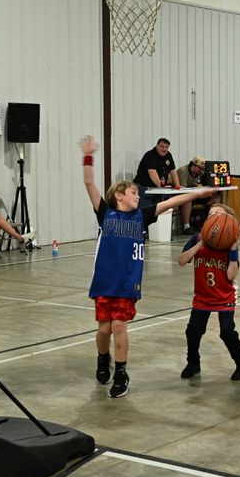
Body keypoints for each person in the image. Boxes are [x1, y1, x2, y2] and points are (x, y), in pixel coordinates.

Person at [80, 135, 215, 398]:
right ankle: (102, 358)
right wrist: (88, 155)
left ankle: (121, 373)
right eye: (133, 193)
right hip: (104, 282)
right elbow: (88, 182)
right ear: (119, 195)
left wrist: (198, 193)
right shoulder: (105, 212)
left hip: (127, 283)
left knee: (118, 326)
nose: (138, 195)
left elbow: (172, 202)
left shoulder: (141, 216)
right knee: (104, 328)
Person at [177, 204, 240, 381]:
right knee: (193, 330)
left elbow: (231, 275)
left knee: (227, 331)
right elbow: (182, 261)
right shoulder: (197, 238)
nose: (212, 216)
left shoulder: (228, 243)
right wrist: (201, 243)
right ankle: (193, 363)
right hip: (202, 296)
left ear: (226, 221)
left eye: (217, 214)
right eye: (210, 214)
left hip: (224, 296)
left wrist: (233, 249)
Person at [178, 156, 212, 233]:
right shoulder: (183, 171)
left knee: (212, 198)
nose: (201, 171)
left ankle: (208, 224)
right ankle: (186, 227)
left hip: (194, 194)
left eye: (203, 169)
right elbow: (183, 189)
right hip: (180, 195)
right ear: (193, 165)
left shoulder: (200, 173)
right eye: (199, 168)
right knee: (187, 199)